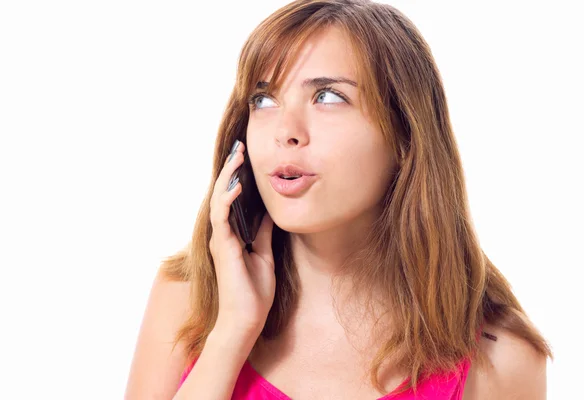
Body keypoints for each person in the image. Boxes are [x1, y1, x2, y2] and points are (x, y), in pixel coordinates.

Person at [125, 0, 553, 399]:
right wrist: (232, 332)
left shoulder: (500, 358)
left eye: (328, 97)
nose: (285, 131)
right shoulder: (188, 300)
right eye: (264, 100)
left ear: (405, 135)